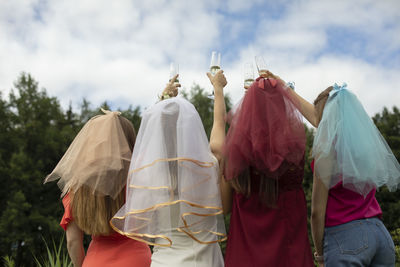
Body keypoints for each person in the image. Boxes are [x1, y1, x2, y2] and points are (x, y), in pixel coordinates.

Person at [110, 72, 228, 267]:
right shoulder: (208, 165)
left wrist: (162, 100)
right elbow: (219, 124)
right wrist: (218, 90)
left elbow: (152, 131)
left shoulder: (146, 174)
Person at [221, 75, 314, 266]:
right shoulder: (294, 153)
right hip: (291, 255)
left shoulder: (235, 153)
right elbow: (319, 119)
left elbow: (224, 207)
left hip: (245, 256)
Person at [44, 109, 151, 267]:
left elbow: (72, 242)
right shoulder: (139, 179)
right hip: (137, 259)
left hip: (96, 261)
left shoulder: (78, 188)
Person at [309, 84, 398, 266]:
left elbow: (317, 212)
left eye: (320, 117)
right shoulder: (363, 149)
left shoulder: (326, 153)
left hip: (346, 238)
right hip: (380, 235)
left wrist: (319, 253)